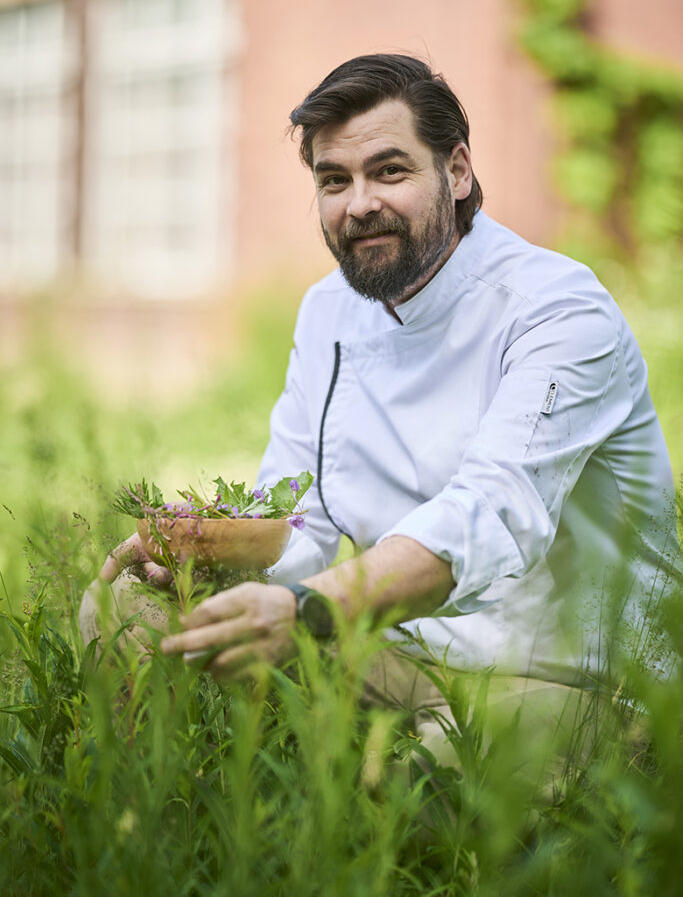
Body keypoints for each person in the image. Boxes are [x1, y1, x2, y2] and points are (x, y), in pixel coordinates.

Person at [96, 54, 677, 768]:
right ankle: (156, 821)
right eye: (333, 180)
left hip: (570, 677)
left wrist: (308, 609)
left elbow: (491, 514)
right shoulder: (327, 312)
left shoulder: (556, 309)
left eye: (389, 171)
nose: (358, 203)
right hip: (392, 648)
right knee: (126, 606)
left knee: (429, 782)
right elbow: (302, 514)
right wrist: (208, 556)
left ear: (456, 171)